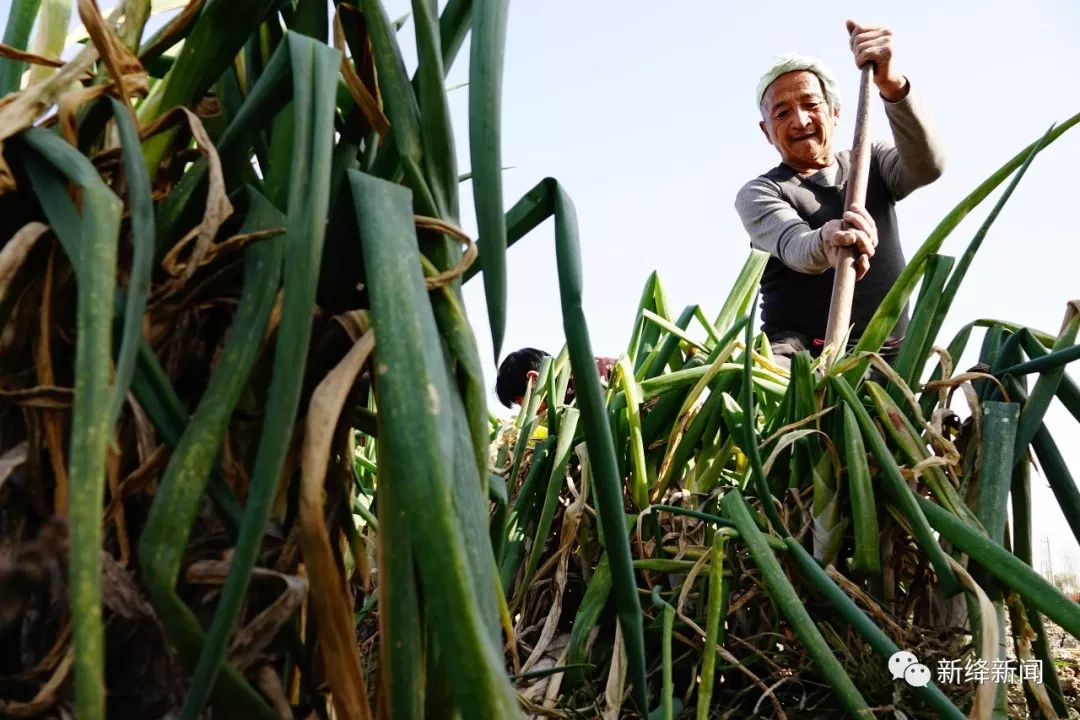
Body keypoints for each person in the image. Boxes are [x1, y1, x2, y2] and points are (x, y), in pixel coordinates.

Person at [734, 20, 945, 361]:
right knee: (776, 376)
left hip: (887, 353)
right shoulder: (761, 192)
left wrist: (892, 85)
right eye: (782, 112)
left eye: (811, 105)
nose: (800, 121)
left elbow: (927, 166)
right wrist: (826, 241)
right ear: (767, 131)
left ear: (834, 112)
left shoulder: (872, 162)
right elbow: (795, 246)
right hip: (797, 353)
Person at [495, 348, 617, 408]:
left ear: (534, 379)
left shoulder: (581, 379)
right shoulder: (561, 395)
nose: (526, 413)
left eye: (522, 403)